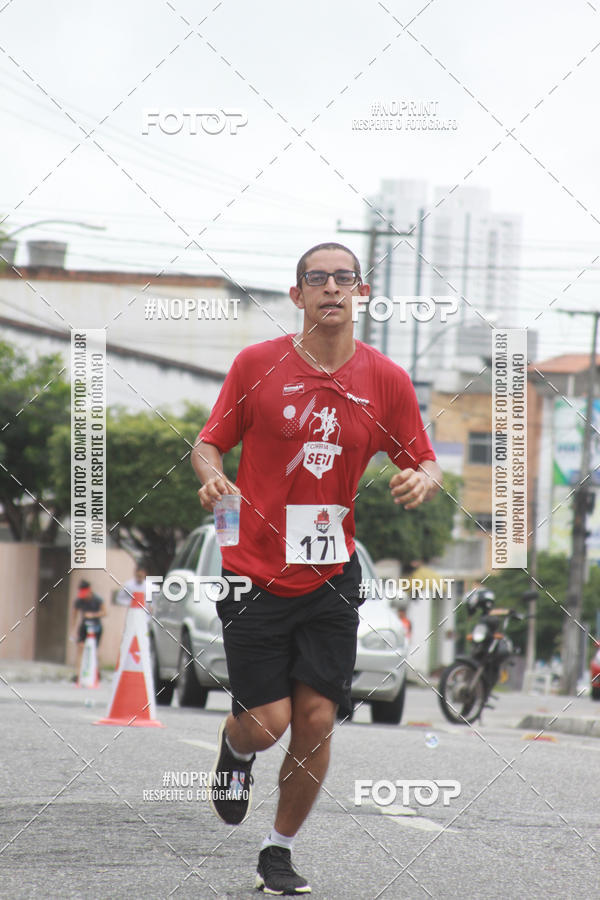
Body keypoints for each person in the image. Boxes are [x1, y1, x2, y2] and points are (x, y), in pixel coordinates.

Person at [192, 242, 442, 895]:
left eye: (343, 278)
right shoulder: (257, 366)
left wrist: (423, 480)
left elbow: (425, 458)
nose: (331, 287)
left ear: (360, 292)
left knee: (316, 720)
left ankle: (279, 850)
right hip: (252, 568)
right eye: (316, 278)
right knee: (267, 722)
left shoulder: (385, 380)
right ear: (297, 294)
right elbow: (209, 441)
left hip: (331, 570)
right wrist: (214, 478)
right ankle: (235, 744)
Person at [69, 579, 106, 678]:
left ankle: (97, 672)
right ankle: (78, 674)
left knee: (95, 650)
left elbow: (105, 612)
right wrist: (73, 630)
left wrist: (93, 615)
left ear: (89, 591)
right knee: (80, 647)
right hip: (84, 626)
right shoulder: (79, 601)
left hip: (96, 627)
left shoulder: (97, 599)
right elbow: (74, 615)